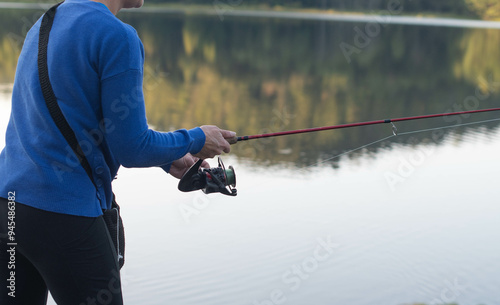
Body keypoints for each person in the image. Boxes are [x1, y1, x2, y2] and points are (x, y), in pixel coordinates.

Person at [0, 0, 236, 304]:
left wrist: (168, 158)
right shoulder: (117, 36)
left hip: (9, 207)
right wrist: (195, 139)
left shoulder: (46, 22)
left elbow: (79, 123)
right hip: (65, 214)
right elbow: (133, 149)